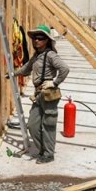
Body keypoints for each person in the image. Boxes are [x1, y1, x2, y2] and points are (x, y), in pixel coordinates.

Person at [13, 24, 69, 164]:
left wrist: (54, 83)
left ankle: (48, 154)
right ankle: (43, 150)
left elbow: (65, 69)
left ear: (47, 40)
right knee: (33, 125)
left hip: (48, 94)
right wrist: (14, 73)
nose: (36, 40)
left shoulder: (50, 55)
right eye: (35, 38)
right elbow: (27, 68)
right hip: (38, 94)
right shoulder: (37, 56)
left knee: (48, 126)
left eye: (40, 38)